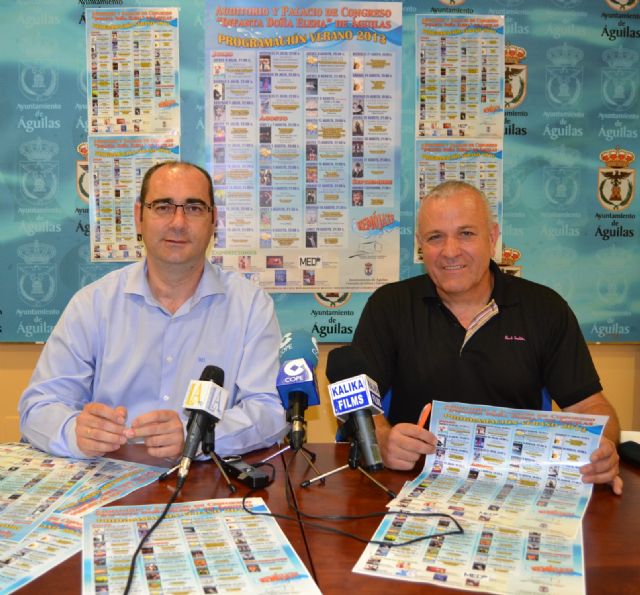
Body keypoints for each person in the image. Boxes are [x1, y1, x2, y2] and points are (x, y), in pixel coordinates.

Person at [352, 180, 622, 494]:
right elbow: (357, 401)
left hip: (518, 487)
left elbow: (590, 406)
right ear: (421, 246)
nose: (450, 251)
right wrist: (381, 438)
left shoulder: (544, 308)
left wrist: (603, 447)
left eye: (466, 234)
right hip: (412, 483)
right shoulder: (389, 306)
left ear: (492, 238)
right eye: (435, 237)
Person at [19, 161, 287, 461]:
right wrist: (75, 432)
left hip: (206, 477)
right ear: (139, 217)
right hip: (110, 475)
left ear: (214, 221)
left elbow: (270, 411)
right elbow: (39, 406)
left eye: (194, 208)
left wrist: (195, 437)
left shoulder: (251, 307)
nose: (178, 222)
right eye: (163, 207)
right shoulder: (93, 304)